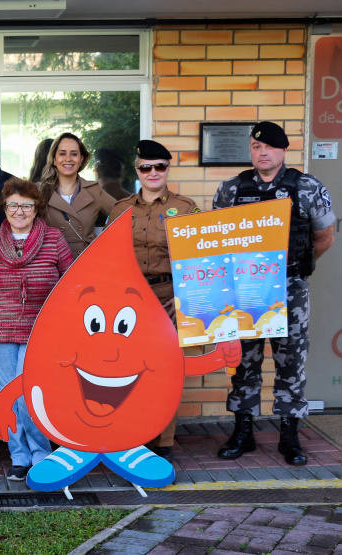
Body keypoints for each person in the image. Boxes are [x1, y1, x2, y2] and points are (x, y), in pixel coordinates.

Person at [213, 121, 336, 466]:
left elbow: (324, 236)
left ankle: (289, 434)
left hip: (290, 288)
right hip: (244, 292)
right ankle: (243, 431)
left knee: (291, 360)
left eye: (268, 146)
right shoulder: (231, 189)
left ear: (283, 150)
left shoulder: (307, 186)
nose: (261, 152)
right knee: (243, 361)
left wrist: (295, 265)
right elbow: (219, 239)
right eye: (255, 146)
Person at [106, 140, 199, 462]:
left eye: (160, 166)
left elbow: (200, 259)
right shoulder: (120, 209)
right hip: (132, 302)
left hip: (170, 296)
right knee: (133, 369)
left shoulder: (186, 208)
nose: (153, 173)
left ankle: (165, 441)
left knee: (167, 369)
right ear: (137, 171)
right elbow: (110, 258)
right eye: (146, 167)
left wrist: (182, 297)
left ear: (167, 169)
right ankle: (136, 434)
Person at [0, 177, 73, 480]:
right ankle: (18, 455)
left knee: (30, 394)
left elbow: (69, 283)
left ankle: (41, 453)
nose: (20, 211)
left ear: (37, 208)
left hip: (40, 330)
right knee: (7, 394)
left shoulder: (53, 238)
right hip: (1, 329)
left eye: (26, 205)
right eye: (13, 205)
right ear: (4, 207)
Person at [38, 133, 117, 258]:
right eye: (62, 153)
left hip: (85, 265)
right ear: (54, 158)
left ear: (81, 159)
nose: (68, 158)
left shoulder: (94, 190)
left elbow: (123, 213)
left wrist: (105, 241)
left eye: (74, 154)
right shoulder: (39, 191)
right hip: (52, 267)